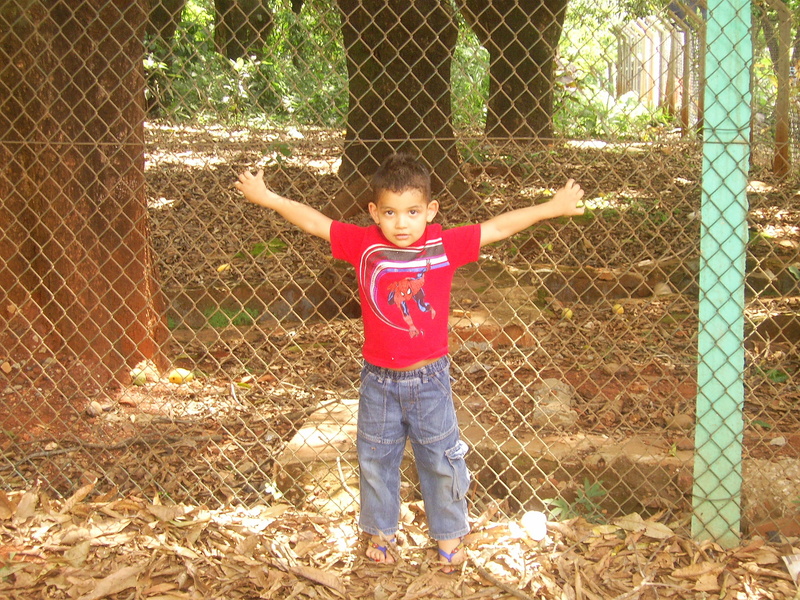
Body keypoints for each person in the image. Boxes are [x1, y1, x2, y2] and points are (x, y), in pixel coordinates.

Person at [235, 153, 584, 570]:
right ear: (374, 213)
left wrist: (552, 206)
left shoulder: (442, 244)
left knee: (441, 458)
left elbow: (499, 227)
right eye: (391, 213)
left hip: (430, 379)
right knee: (376, 459)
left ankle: (450, 535)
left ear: (431, 211)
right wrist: (267, 196)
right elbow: (314, 222)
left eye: (413, 212)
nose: (402, 223)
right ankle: (381, 533)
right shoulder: (365, 244)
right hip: (378, 380)